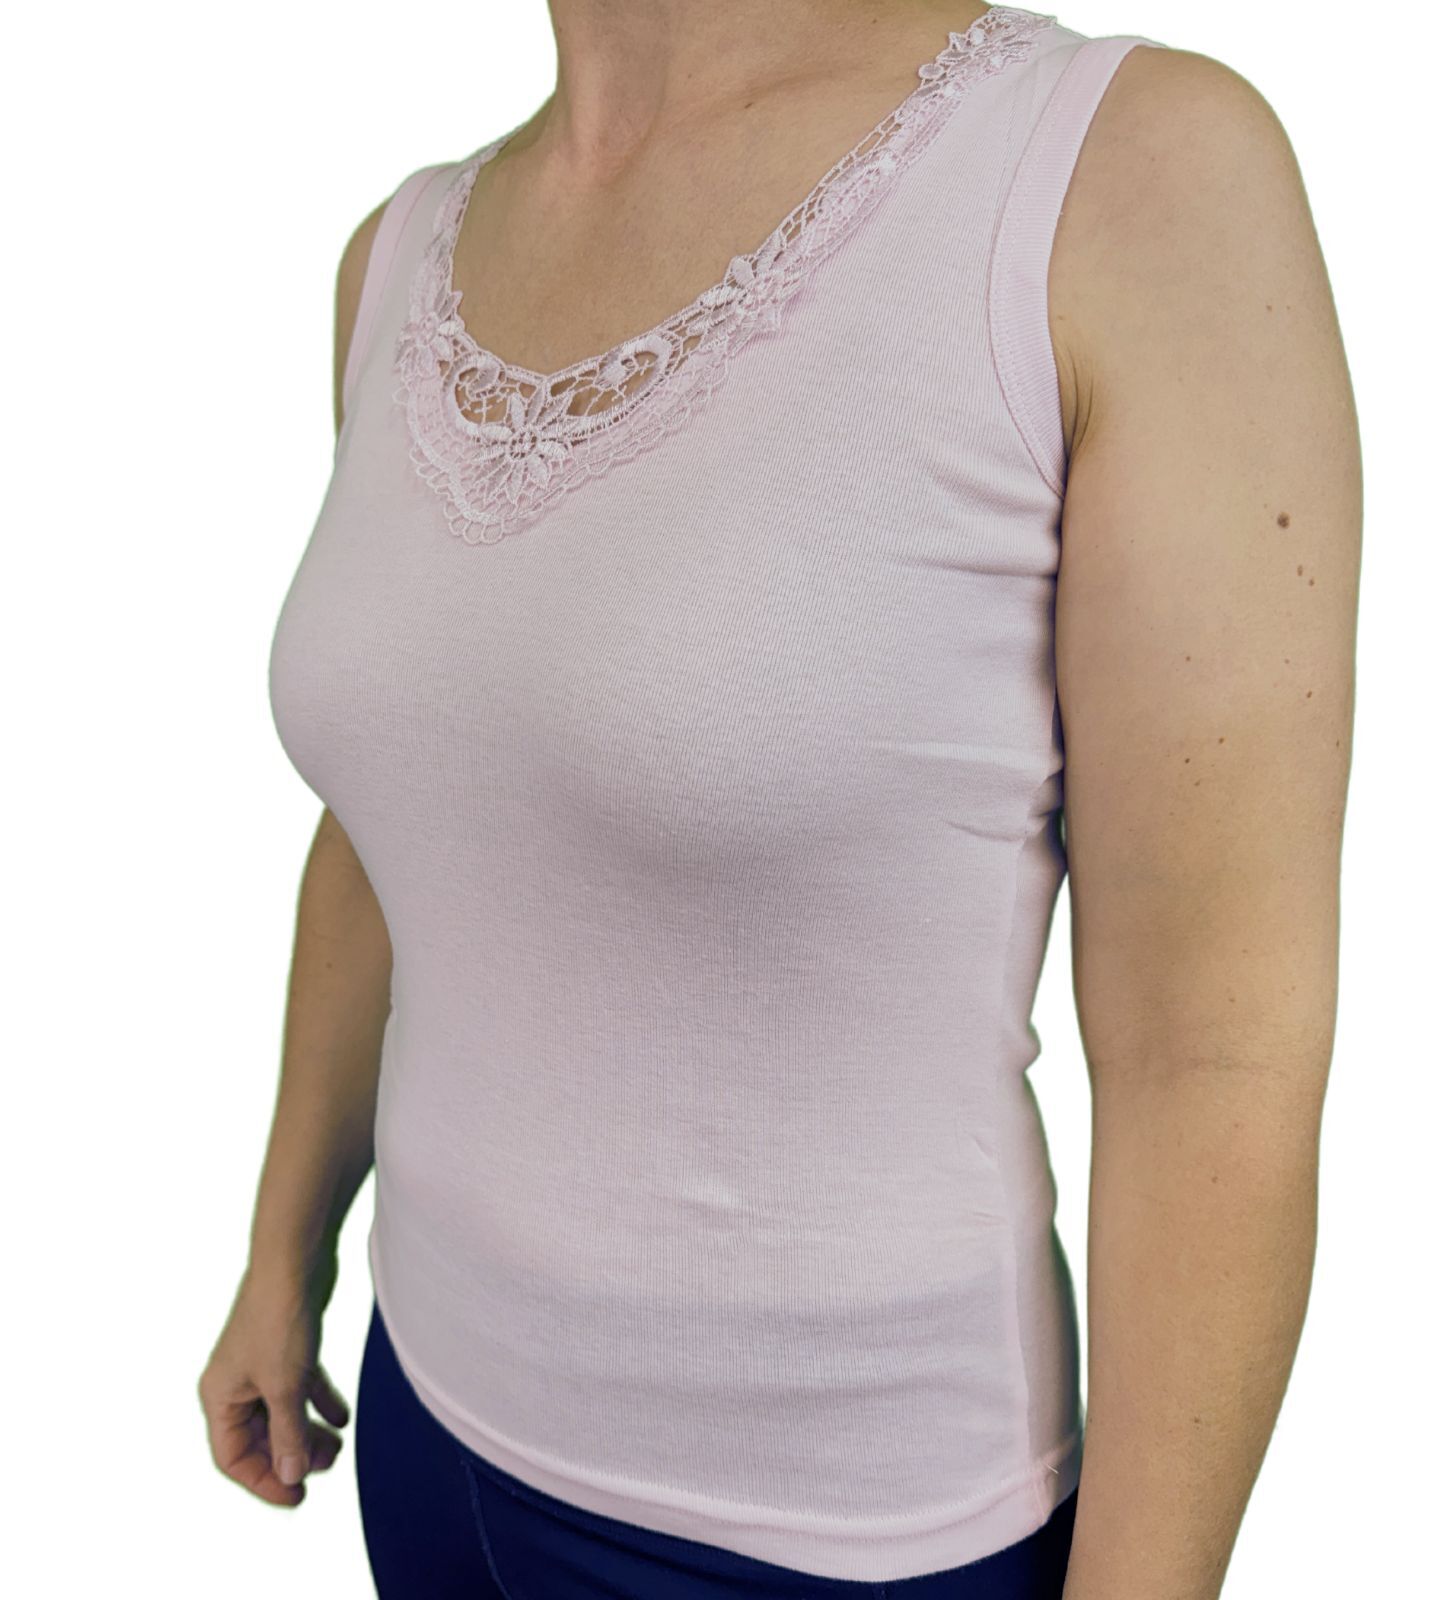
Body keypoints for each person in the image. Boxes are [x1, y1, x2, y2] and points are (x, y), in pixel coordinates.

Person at [197, 2, 1361, 1595]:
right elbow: (410, 805)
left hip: (833, 1536)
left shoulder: (1115, 179)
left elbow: (1209, 1046)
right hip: (427, 1426)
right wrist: (288, 1245)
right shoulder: (401, 250)